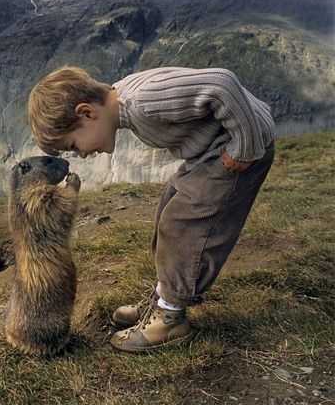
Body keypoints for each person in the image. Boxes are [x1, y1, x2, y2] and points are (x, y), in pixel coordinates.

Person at [28, 65, 275, 353]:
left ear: (86, 112)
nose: (81, 154)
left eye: (73, 145)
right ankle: (162, 299)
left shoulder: (144, 101)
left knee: (182, 225)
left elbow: (222, 83)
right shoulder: (123, 100)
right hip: (210, 150)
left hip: (238, 148)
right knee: (167, 212)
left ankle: (171, 316)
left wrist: (244, 146)